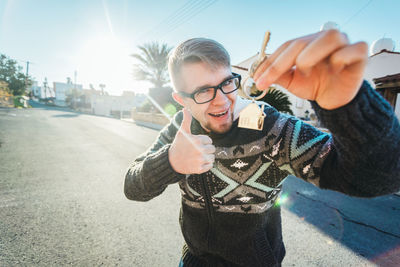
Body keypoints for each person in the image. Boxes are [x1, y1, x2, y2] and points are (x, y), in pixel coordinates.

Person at [124, 29, 400, 266]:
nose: (221, 101)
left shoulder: (270, 129)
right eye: (203, 91)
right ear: (181, 99)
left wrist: (347, 107)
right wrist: (170, 162)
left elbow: (376, 178)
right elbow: (132, 186)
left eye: (226, 83)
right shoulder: (178, 131)